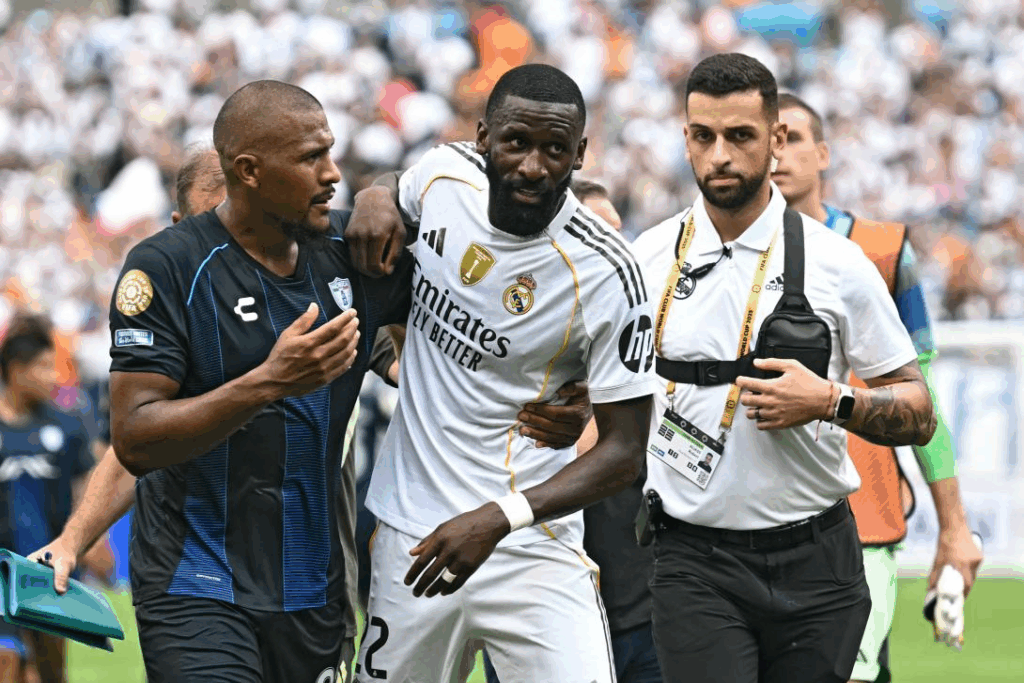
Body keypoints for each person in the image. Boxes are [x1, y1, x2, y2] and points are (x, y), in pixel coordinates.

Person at [630, 53, 937, 683]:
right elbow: (606, 397)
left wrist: (830, 401)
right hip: (692, 559)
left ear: (775, 140)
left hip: (817, 560)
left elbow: (919, 409)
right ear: (685, 138)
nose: (720, 155)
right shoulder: (646, 259)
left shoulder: (839, 263)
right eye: (703, 135)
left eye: (740, 135)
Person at [345, 63, 655, 683]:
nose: (533, 166)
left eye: (555, 149)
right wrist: (373, 194)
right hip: (411, 535)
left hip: (531, 547)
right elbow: (396, 187)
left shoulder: (608, 273)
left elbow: (625, 452)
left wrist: (498, 518)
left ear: (580, 154)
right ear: (484, 136)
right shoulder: (441, 176)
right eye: (516, 142)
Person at [104, 80, 409, 683]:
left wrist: (388, 188)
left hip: (312, 590)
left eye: (331, 151)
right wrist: (268, 383)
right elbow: (134, 438)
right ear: (248, 171)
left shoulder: (353, 251)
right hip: (195, 583)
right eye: (310, 157)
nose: (332, 173)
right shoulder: (166, 266)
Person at [772, 92, 983, 683]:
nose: (778, 154)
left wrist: (954, 526)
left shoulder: (883, 251)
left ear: (824, 153)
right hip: (745, 527)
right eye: (769, 140)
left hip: (861, 515)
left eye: (793, 138)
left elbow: (924, 394)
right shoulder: (719, 252)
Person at [480, 179, 662, 683]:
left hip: (643, 615)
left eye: (619, 236)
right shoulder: (507, 352)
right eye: (596, 233)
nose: (613, 252)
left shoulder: (644, 348)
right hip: (532, 611)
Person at [0, 313, 98, 683]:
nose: (54, 376)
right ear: (16, 370)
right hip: (1, 568)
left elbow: (85, 485)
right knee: (7, 660)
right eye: (43, 367)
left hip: (50, 569)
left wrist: (93, 539)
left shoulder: (66, 426)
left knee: (51, 671)